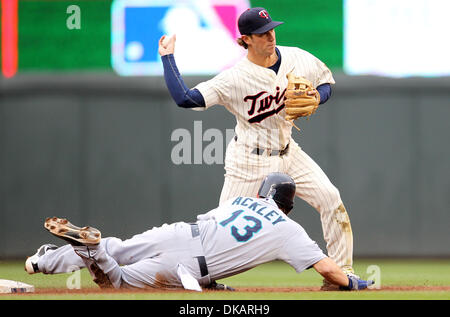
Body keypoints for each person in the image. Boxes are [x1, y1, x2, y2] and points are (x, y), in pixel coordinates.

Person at [158, 7, 356, 290]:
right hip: (249, 162)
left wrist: (317, 96)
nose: (270, 36)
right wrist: (168, 58)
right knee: (217, 230)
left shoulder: (295, 56)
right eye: (262, 33)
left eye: (271, 29)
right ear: (246, 39)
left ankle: (342, 275)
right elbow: (186, 99)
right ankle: (192, 275)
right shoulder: (235, 78)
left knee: (330, 198)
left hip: (290, 152)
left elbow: (325, 83)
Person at [25, 173, 373, 291]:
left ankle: (42, 262)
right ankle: (90, 250)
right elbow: (328, 269)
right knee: (114, 282)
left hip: (180, 231)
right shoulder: (289, 230)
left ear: (260, 193)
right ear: (288, 205)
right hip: (190, 264)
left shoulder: (239, 202)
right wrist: (353, 282)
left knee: (120, 246)